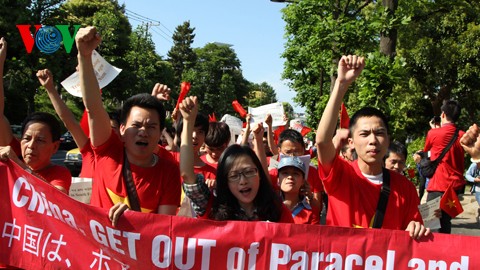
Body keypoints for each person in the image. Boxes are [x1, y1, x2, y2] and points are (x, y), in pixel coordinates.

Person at [74, 27, 180, 226]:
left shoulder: (169, 171)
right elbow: (94, 106)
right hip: (97, 254)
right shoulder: (107, 151)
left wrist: (132, 219)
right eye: (137, 125)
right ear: (122, 130)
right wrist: (84, 55)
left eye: (151, 127)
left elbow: (165, 229)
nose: (143, 131)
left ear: (160, 134)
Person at [315, 55, 429, 238]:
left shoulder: (405, 187)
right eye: (364, 134)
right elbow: (322, 141)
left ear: (388, 140)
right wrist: (341, 84)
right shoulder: (340, 175)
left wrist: (416, 227)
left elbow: (413, 230)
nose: (373, 140)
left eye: (379, 133)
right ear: (351, 142)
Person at [180, 96, 293, 222]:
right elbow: (187, 175)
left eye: (249, 172)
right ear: (224, 181)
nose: (243, 181)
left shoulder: (277, 210)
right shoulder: (212, 207)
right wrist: (187, 121)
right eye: (234, 176)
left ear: (259, 174)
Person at [0, 38, 71, 194]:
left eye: (40, 140)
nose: (31, 146)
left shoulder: (59, 174)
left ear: (55, 147)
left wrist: (20, 166)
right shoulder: (13, 151)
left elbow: (57, 199)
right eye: (26, 138)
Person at [418, 99, 465, 234]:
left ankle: (432, 253)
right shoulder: (462, 135)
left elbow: (428, 152)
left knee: (431, 222)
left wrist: (434, 130)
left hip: (438, 184)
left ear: (443, 114)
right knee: (445, 222)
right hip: (455, 186)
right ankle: (445, 253)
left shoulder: (433, 133)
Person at [269, 129, 323, 213]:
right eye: (288, 152)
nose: (292, 156)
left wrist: (310, 196)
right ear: (279, 151)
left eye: (297, 151)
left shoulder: (312, 172)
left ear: (304, 149)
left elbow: (318, 208)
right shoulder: (273, 174)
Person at [278, 156, 320, 224]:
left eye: (295, 174)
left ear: (303, 181)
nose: (290, 177)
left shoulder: (311, 213)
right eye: (285, 173)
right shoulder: (270, 208)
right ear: (278, 179)